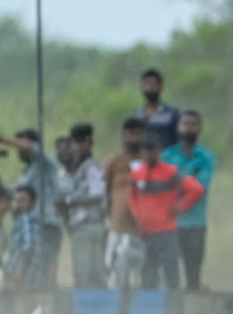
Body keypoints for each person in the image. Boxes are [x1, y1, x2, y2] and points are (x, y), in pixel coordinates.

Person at [129, 134, 204, 290]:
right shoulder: (137, 174)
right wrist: (137, 218)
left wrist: (180, 206)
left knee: (171, 274)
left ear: (159, 152)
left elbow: (195, 189)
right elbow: (132, 198)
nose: (150, 154)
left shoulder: (170, 172)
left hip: (166, 232)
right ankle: (149, 309)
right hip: (146, 234)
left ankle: (173, 309)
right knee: (147, 275)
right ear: (142, 153)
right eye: (146, 151)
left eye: (153, 151)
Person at [0, 129, 63, 287]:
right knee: (31, 264)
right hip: (32, 224)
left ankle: (49, 295)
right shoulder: (27, 172)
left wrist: (7, 140)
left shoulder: (46, 163)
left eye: (20, 144)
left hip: (47, 221)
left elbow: (32, 148)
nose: (18, 149)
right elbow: (13, 193)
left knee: (47, 260)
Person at [162, 110, 216, 291]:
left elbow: (201, 187)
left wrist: (178, 196)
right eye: (185, 124)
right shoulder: (167, 155)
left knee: (193, 276)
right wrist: (187, 183)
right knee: (170, 276)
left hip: (195, 223)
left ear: (199, 128)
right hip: (169, 225)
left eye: (193, 124)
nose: (188, 128)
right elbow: (162, 186)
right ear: (178, 127)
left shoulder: (206, 157)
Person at [60, 123, 108, 288]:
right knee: (92, 274)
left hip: (88, 225)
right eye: (75, 143)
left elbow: (97, 195)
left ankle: (89, 310)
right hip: (85, 226)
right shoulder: (81, 168)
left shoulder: (91, 167)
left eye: (81, 143)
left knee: (85, 274)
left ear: (89, 144)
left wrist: (70, 202)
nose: (76, 148)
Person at [104, 118, 147, 288]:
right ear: (123, 136)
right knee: (114, 268)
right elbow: (105, 191)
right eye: (130, 134)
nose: (134, 138)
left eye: (138, 134)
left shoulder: (149, 160)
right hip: (118, 226)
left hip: (143, 228)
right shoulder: (114, 162)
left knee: (140, 272)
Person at [3, 185, 42, 291]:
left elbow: (27, 247)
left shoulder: (26, 218)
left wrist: (19, 269)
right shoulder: (25, 217)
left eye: (23, 200)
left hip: (21, 272)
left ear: (33, 201)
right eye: (17, 200)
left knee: (19, 303)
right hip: (25, 272)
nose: (19, 203)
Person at [132, 68, 181, 148]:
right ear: (141, 86)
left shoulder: (171, 113)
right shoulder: (137, 113)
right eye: (147, 84)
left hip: (166, 157)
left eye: (154, 84)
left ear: (161, 86)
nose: (151, 88)